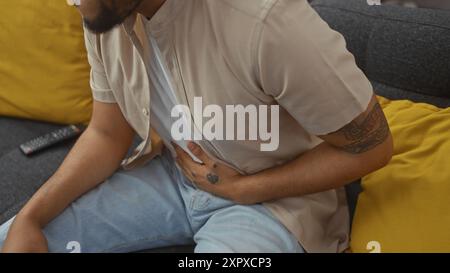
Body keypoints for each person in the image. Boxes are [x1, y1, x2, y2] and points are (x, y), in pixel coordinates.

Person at [0, 0, 393, 253]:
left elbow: (372, 146)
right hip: (174, 176)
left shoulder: (266, 20)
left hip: (275, 207)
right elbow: (108, 133)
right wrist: (31, 217)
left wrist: (242, 189)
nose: (74, 2)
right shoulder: (103, 12)